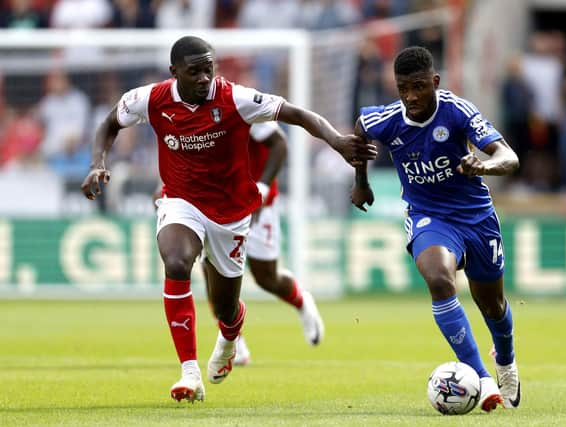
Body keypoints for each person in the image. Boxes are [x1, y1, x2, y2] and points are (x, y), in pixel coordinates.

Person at [81, 35, 376, 403]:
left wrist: (337, 140)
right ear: (175, 73)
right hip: (181, 200)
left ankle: (231, 335)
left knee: (226, 307)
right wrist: (97, 164)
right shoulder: (151, 99)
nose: (205, 78)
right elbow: (110, 123)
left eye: (209, 69)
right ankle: (189, 373)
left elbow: (296, 115)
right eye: (195, 72)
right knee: (176, 262)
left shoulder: (235, 98)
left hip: (232, 212)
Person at [350, 46, 520, 412]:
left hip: (476, 217)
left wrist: (484, 167)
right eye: (402, 88)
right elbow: (361, 130)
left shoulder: (457, 111)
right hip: (429, 216)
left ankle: (505, 362)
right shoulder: (388, 120)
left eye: (418, 87)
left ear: (435, 82)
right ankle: (483, 379)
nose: (410, 97)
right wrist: (361, 181)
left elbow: (509, 157)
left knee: (492, 305)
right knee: (439, 279)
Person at [154, 122, 325, 365]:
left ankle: (301, 302)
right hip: (213, 204)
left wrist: (262, 190)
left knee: (266, 277)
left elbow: (279, 144)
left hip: (256, 205)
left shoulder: (241, 105)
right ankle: (235, 342)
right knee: (210, 268)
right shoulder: (189, 110)